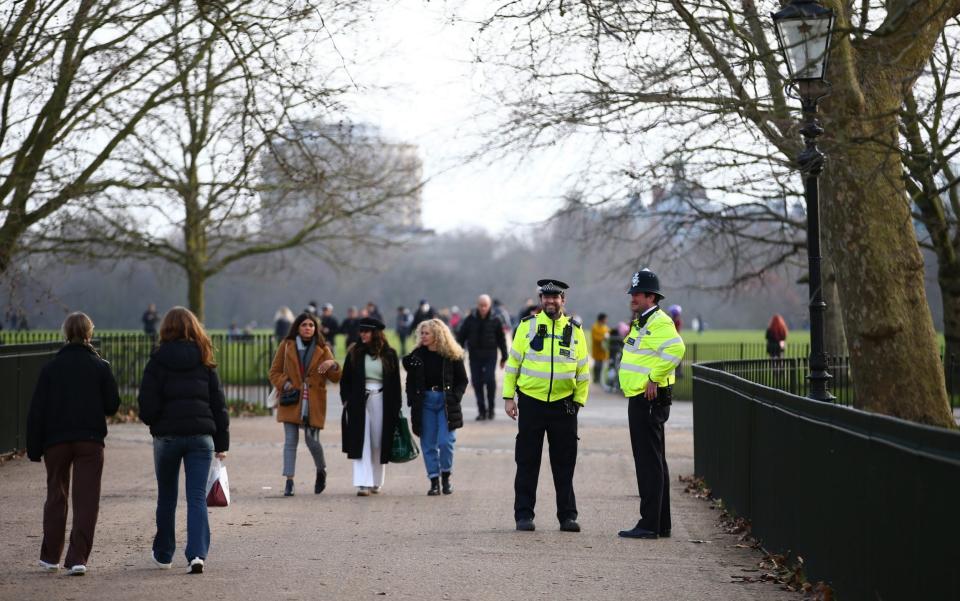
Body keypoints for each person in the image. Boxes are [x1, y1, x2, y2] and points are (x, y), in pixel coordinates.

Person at [27, 312, 121, 575]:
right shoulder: (100, 366)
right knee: (86, 499)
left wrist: (34, 447)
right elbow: (113, 405)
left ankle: (50, 557)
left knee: (56, 496)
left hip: (55, 441)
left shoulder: (50, 368)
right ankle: (77, 557)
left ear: (66, 334)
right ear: (89, 334)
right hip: (89, 440)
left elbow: (37, 411)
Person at [138, 307, 230, 574]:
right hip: (201, 436)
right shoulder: (204, 359)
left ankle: (164, 553)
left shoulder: (157, 361)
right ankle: (197, 554)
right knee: (197, 497)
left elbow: (146, 404)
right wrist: (222, 442)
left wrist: (155, 421)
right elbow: (218, 404)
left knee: (166, 497)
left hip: (167, 436)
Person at [503, 279, 589, 533]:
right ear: (541, 300)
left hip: (564, 406)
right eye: (545, 297)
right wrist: (509, 397)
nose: (550, 301)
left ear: (563, 300)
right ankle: (523, 515)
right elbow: (513, 365)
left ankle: (567, 516)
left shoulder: (575, 330)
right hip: (532, 403)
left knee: (565, 464)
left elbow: (583, 370)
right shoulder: (527, 327)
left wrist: (578, 401)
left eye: (555, 297)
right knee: (527, 462)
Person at [617, 269, 685, 540]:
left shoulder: (659, 322)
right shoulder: (643, 321)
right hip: (642, 398)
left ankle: (648, 524)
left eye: (638, 293)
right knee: (655, 460)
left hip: (647, 399)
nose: (633, 297)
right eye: (632, 292)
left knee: (648, 462)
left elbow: (677, 350)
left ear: (651, 296)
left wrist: (654, 378)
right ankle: (660, 523)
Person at [269, 312, 341, 497]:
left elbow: (335, 378)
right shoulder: (287, 346)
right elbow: (274, 372)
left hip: (313, 401)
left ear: (315, 328)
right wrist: (285, 384)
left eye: (311, 325)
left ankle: (321, 470)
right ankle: (289, 481)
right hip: (291, 399)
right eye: (304, 325)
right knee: (290, 441)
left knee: (312, 441)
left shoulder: (322, 348)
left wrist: (333, 364)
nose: (308, 328)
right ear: (297, 327)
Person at [402, 319, 468, 495]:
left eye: (426, 333)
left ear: (437, 335)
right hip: (425, 403)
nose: (423, 336)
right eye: (421, 333)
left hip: (446, 402)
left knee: (446, 442)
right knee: (428, 444)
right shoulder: (417, 356)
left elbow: (462, 380)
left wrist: (455, 396)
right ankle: (434, 480)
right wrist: (411, 399)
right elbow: (409, 379)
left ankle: (446, 476)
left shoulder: (451, 355)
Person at [340, 317, 401, 496]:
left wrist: (396, 407)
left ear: (376, 333)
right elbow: (345, 380)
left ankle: (375, 481)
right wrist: (346, 400)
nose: (363, 334)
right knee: (361, 440)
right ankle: (362, 483)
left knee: (378, 441)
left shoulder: (389, 354)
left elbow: (396, 383)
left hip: (382, 399)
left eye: (366, 331)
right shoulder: (354, 352)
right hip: (359, 400)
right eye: (361, 331)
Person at [456, 294, 508, 421]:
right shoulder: (470, 319)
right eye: (481, 305)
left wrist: (504, 357)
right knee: (476, 382)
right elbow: (461, 337)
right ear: (477, 305)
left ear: (489, 306)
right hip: (474, 355)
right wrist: (457, 353)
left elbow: (501, 340)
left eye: (485, 306)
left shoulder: (496, 319)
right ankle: (481, 411)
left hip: (491, 354)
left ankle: (491, 409)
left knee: (489, 380)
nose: (483, 308)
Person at [591, 313, 610, 384]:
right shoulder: (595, 327)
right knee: (597, 365)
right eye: (605, 319)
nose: (606, 320)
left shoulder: (605, 328)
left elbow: (608, 335)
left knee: (601, 366)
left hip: (603, 350)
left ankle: (599, 380)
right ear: (602, 319)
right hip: (597, 350)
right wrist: (603, 338)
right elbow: (595, 338)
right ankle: (596, 379)